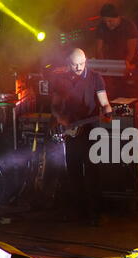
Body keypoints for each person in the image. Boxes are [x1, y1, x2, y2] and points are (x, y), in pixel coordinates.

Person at [51, 48, 112, 226]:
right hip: (70, 130)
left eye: (81, 63)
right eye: (74, 64)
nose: (78, 67)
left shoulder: (95, 78)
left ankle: (95, 212)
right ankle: (78, 211)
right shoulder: (60, 79)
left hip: (90, 129)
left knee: (92, 171)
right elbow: (54, 105)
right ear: (67, 63)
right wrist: (60, 118)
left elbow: (105, 103)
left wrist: (108, 111)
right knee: (73, 171)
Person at [95, 3, 138, 71]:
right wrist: (103, 64)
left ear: (118, 17)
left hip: (131, 63)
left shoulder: (128, 25)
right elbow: (99, 50)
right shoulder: (101, 27)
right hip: (113, 64)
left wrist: (124, 65)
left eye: (110, 21)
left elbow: (131, 51)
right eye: (105, 22)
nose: (107, 24)